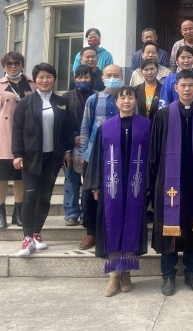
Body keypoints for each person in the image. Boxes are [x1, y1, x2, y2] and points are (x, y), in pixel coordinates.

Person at [149, 69, 193, 296]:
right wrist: (154, 183)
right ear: (175, 87)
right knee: (169, 228)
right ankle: (168, 275)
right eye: (183, 85)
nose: (187, 89)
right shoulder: (164, 115)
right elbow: (155, 153)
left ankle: (191, 272)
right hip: (169, 182)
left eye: (191, 85)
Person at [84, 87, 152, 297]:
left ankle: (127, 272)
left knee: (131, 225)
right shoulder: (106, 127)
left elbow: (151, 157)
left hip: (136, 186)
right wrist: (95, 185)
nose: (126, 101)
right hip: (111, 186)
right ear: (116, 101)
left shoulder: (146, 126)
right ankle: (114, 275)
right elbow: (96, 157)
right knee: (112, 225)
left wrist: (149, 186)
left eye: (130, 97)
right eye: (122, 97)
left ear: (135, 100)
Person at [12, 63, 74, 257]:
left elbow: (67, 129)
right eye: (41, 77)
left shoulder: (61, 102)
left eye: (49, 77)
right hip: (31, 157)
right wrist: (17, 154)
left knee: (45, 197)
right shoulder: (25, 103)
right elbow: (16, 130)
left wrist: (67, 150)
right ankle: (27, 238)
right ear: (35, 80)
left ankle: (37, 233)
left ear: (54, 79)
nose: (45, 80)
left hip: (53, 158)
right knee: (30, 196)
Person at [0, 52, 35, 229]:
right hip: (3, 137)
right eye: (9, 63)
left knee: (20, 177)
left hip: (25, 138)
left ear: (22, 64)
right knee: (1, 177)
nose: (13, 66)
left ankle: (17, 213)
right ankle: (1, 213)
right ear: (4, 66)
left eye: (17, 63)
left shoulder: (32, 84)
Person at [78, 64, 124, 250]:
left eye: (116, 75)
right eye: (109, 75)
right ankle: (91, 233)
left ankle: (114, 230)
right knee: (90, 196)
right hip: (95, 156)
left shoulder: (127, 97)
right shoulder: (94, 99)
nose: (112, 78)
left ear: (122, 76)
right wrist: (83, 154)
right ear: (103, 78)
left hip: (120, 155)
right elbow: (85, 127)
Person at [61, 64, 97, 226]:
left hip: (93, 144)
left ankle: (86, 211)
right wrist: (74, 135)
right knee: (71, 179)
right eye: (80, 77)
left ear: (92, 78)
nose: (83, 80)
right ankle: (71, 211)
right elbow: (63, 121)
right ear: (74, 78)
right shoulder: (66, 97)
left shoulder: (98, 96)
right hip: (72, 144)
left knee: (90, 179)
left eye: (86, 77)